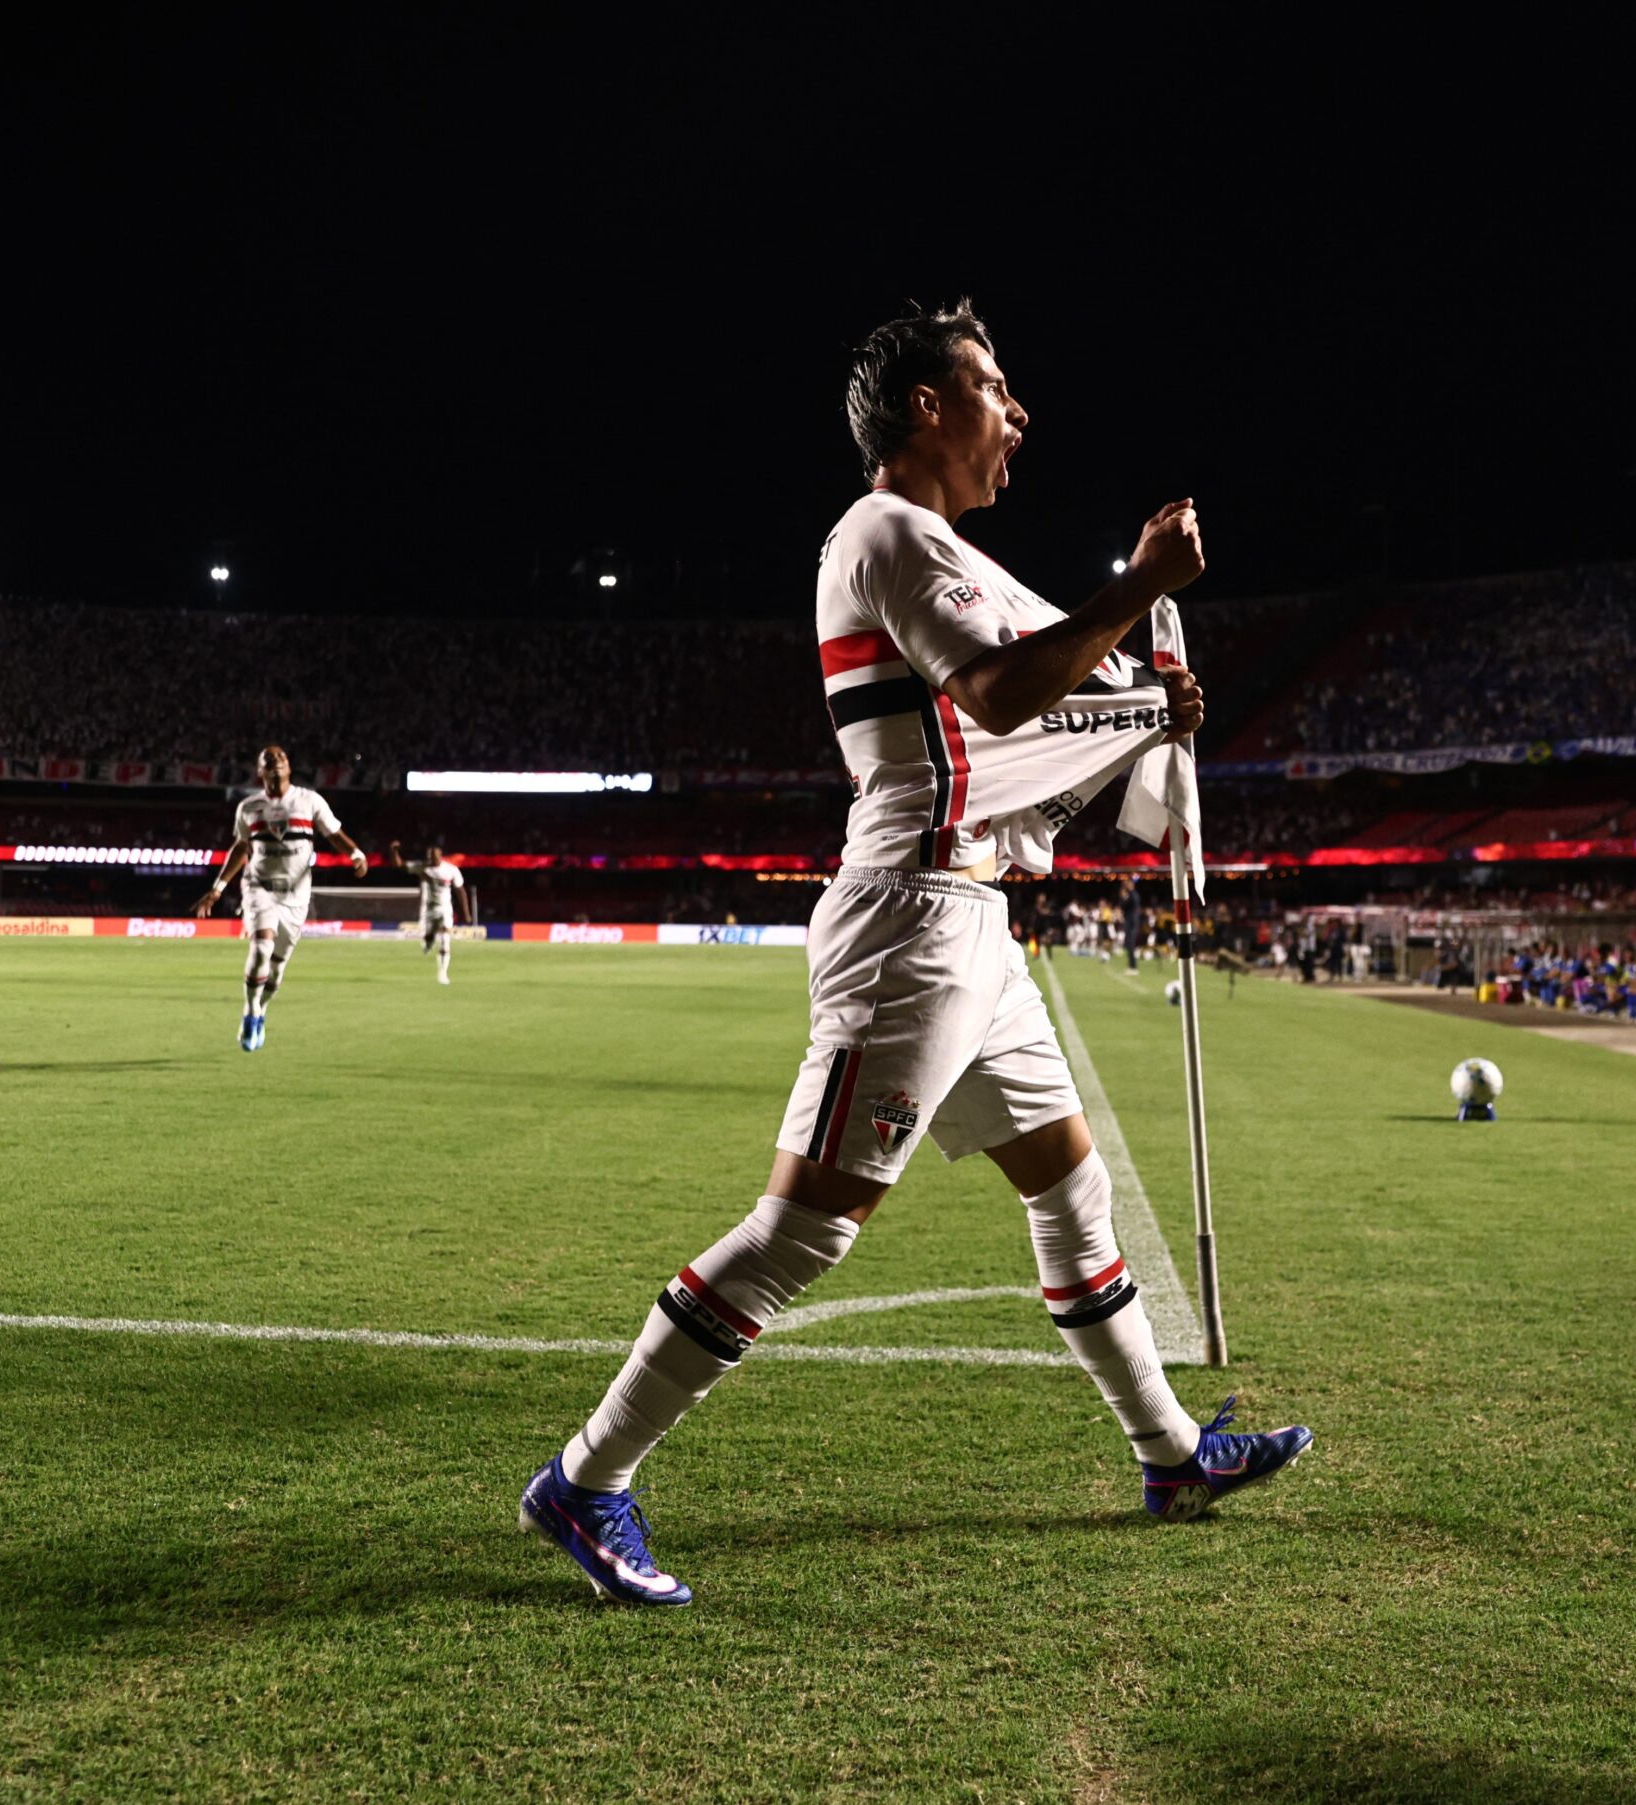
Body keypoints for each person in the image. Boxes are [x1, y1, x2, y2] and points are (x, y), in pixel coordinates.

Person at [518, 300, 1311, 1608]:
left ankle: (1171, 1455)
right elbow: (1002, 693)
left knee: (1072, 1187)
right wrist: (1141, 585)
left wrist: (1148, 700)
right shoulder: (883, 532)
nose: (1020, 411)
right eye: (995, 385)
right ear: (926, 407)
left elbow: (1050, 690)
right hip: (914, 921)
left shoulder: (944, 548)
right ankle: (589, 1478)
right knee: (805, 1231)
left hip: (978, 925)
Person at [194, 746, 370, 1050]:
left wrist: (355, 853)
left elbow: (334, 833)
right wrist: (218, 888)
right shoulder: (249, 807)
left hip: (296, 895)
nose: (276, 760)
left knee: (277, 966)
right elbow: (240, 848)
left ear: (289, 768)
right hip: (259, 887)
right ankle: (250, 1013)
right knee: (262, 945)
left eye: (282, 758)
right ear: (260, 771)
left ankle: (262, 1010)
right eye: (268, 759)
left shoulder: (309, 800)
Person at [390, 840, 468, 984]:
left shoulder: (451, 870)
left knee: (445, 939)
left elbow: (460, 891)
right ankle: (428, 942)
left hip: (445, 909)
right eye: (429, 856)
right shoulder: (422, 867)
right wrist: (394, 851)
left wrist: (466, 912)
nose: (430, 858)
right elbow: (399, 865)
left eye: (433, 855)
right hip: (428, 910)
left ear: (440, 855)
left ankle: (443, 974)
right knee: (429, 939)